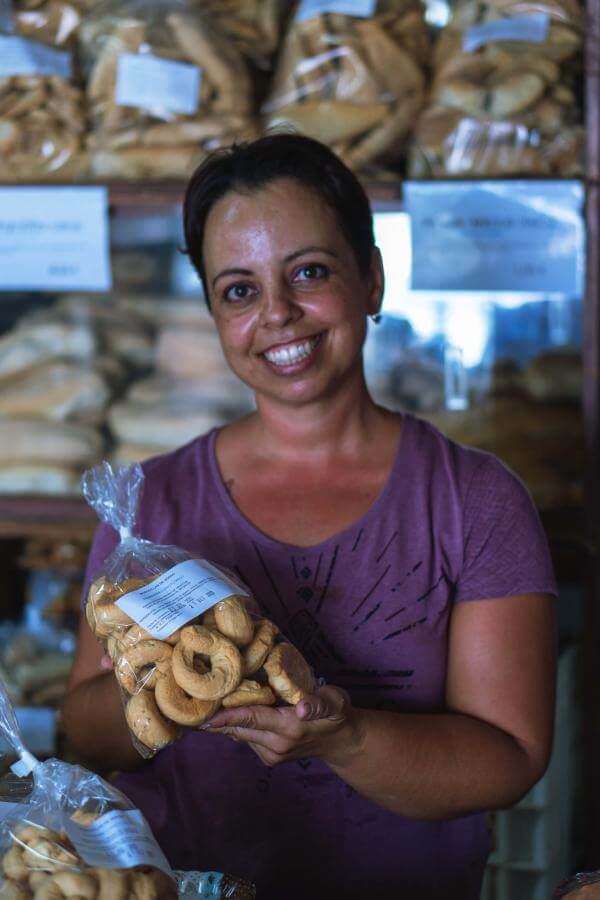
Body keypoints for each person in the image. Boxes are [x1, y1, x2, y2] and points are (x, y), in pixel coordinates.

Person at [62, 133, 557, 899]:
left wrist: (348, 738)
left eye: (310, 273)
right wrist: (173, 684)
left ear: (372, 281)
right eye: (239, 290)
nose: (279, 315)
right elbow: (81, 733)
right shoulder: (148, 507)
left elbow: (511, 758)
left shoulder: (475, 498)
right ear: (215, 316)